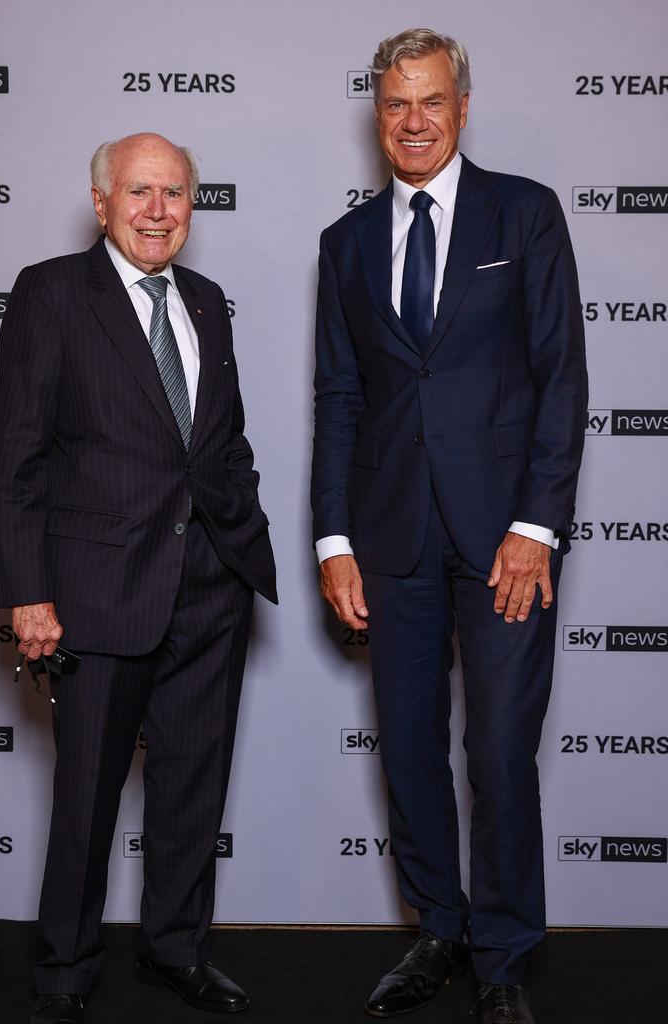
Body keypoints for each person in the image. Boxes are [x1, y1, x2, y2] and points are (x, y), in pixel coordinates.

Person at [311, 29, 586, 1024]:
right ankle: (437, 924)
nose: (413, 120)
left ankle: (504, 956)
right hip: (391, 539)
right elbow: (338, 396)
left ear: (463, 108)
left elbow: (561, 376)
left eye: (430, 101)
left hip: (506, 536)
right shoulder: (343, 245)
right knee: (412, 745)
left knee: (503, 750)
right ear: (376, 115)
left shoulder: (527, 212)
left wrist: (536, 525)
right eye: (395, 104)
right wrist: (332, 539)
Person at [0, 132, 277, 1024]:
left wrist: (241, 529)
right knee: (84, 800)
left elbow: (220, 441)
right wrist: (28, 592)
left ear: (194, 206)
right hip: (96, 593)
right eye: (141, 192)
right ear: (101, 200)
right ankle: (65, 974)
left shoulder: (206, 302)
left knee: (193, 789)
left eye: (176, 194)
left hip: (208, 587)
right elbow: (18, 460)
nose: (159, 210)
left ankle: (175, 951)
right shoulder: (52, 292)